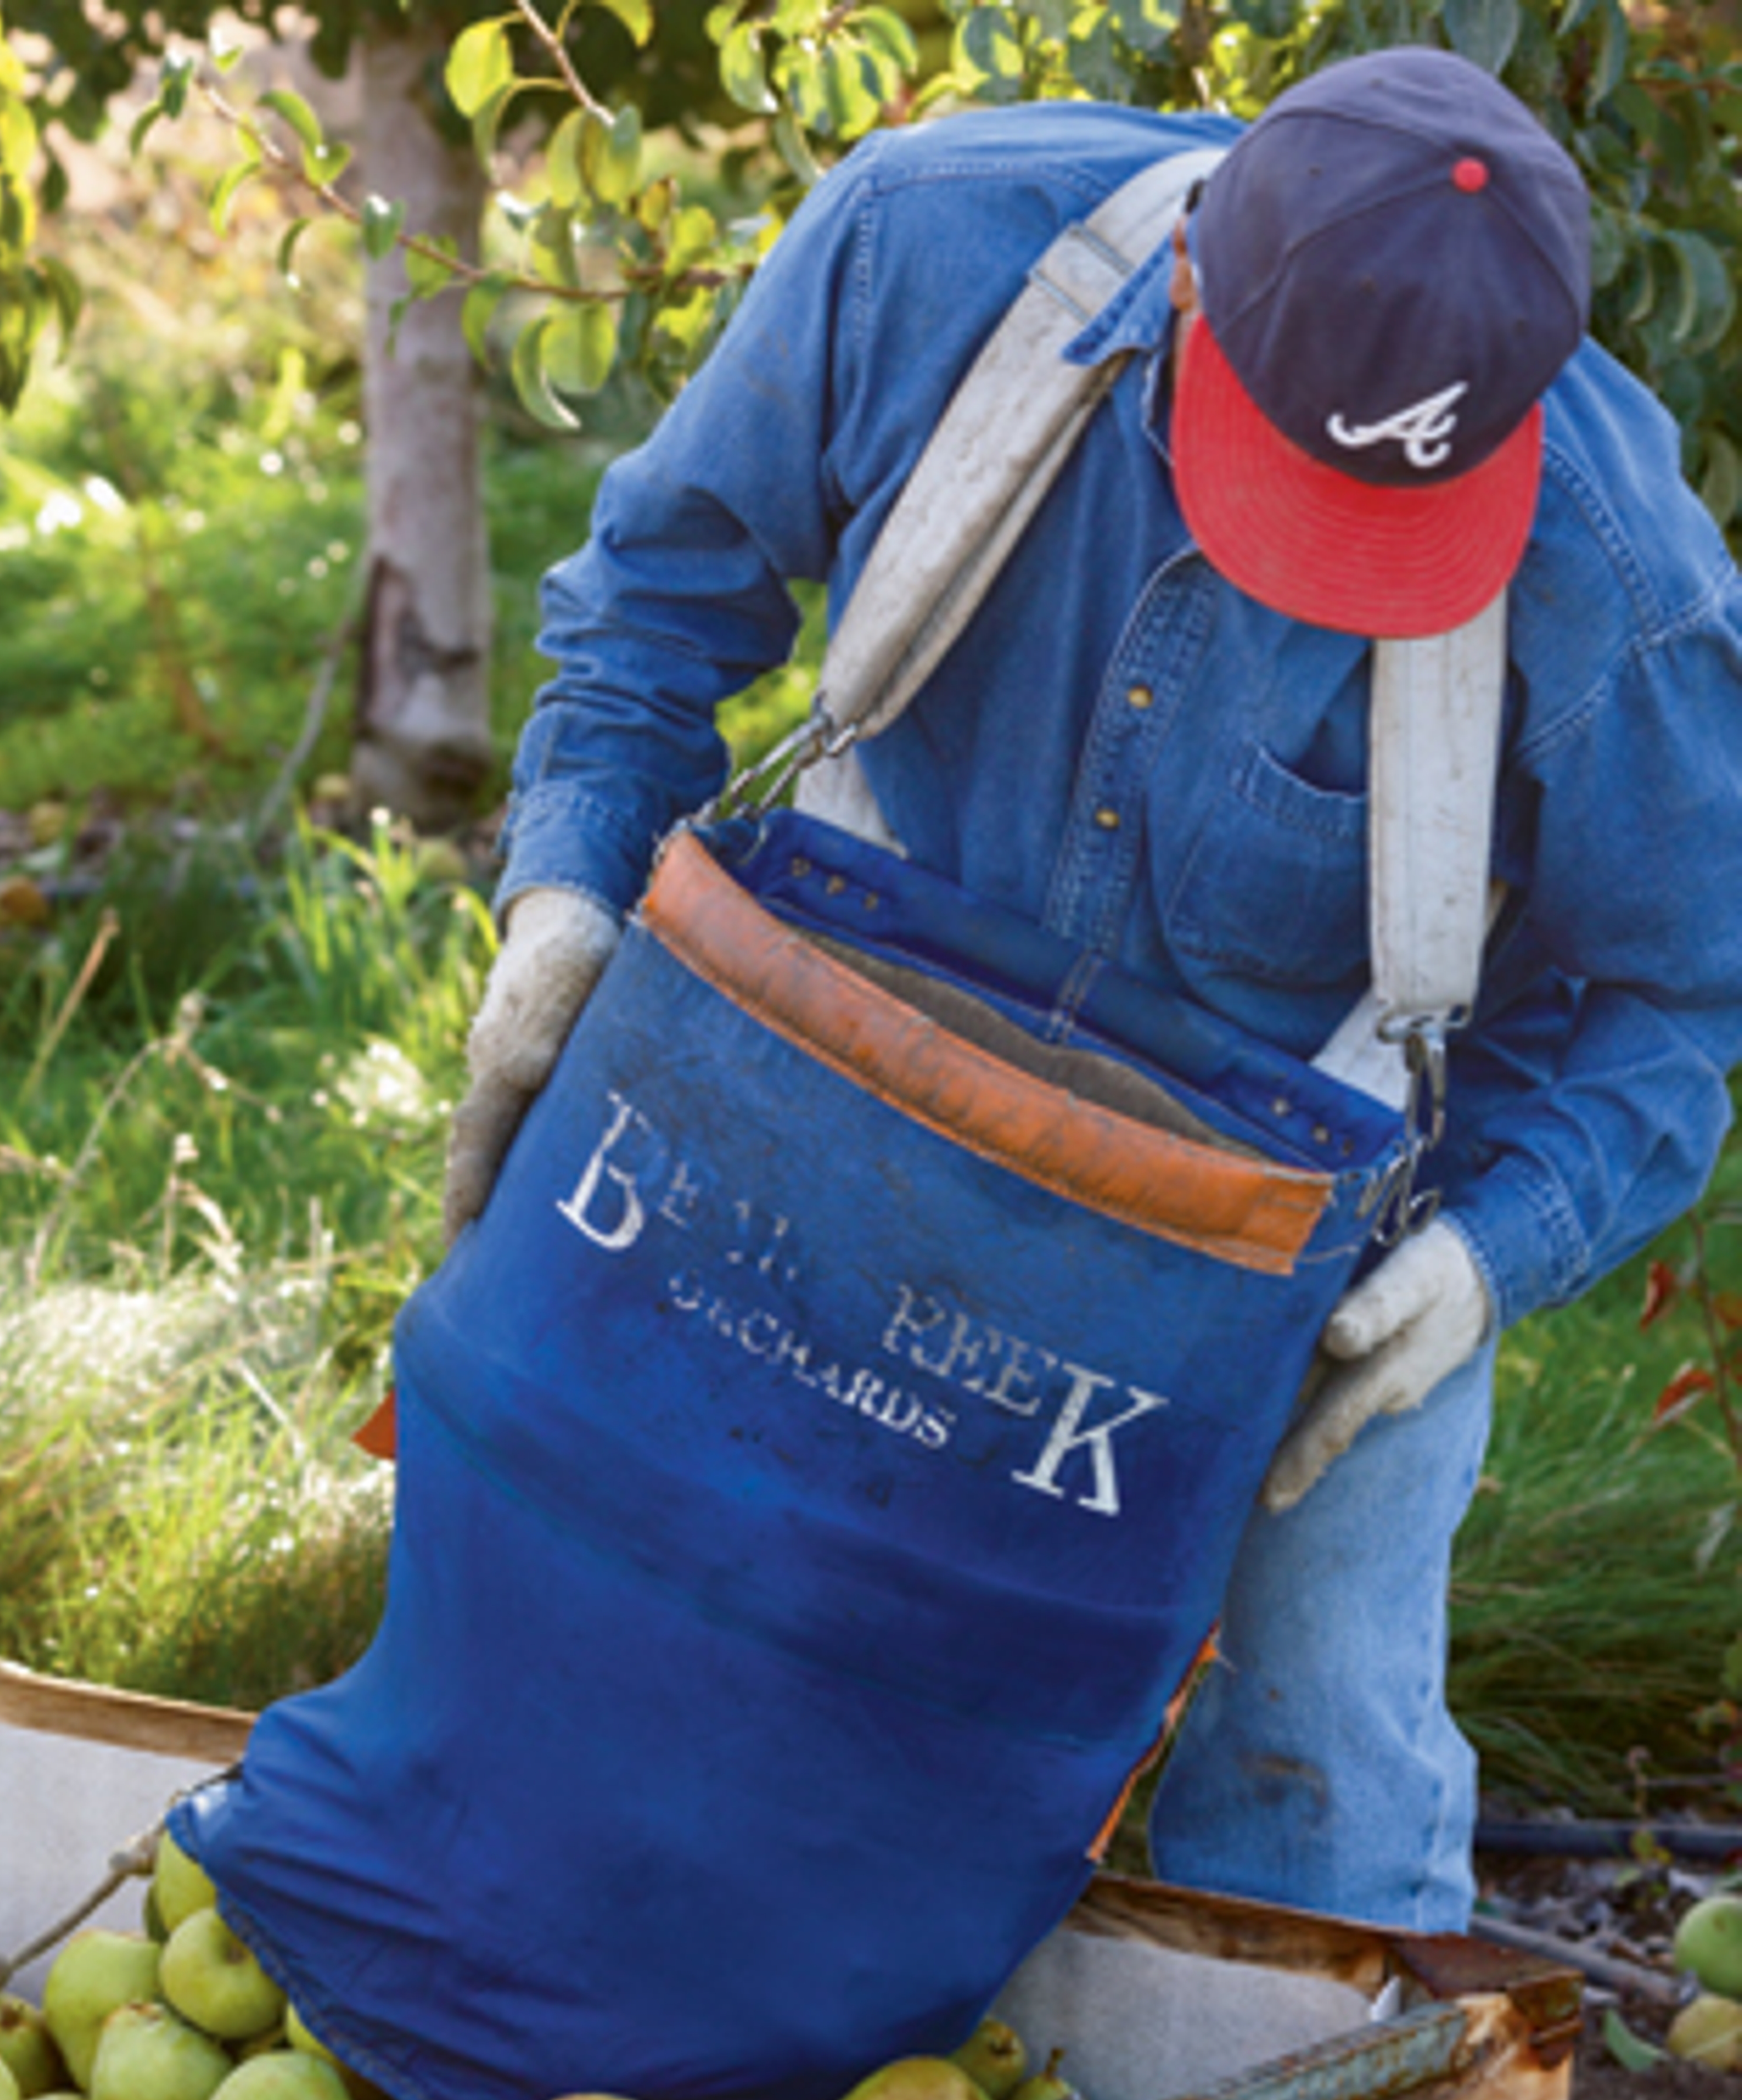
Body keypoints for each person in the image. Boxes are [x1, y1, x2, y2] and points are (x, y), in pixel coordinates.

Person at [440, 45, 1742, 1933]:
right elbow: (652, 604)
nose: (1312, 568)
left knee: (1324, 1775)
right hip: (848, 1083)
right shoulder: (927, 249)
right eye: (1289, 484)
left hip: (1296, 1218)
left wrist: (1488, 1255)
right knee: (679, 1626)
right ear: (1195, 279)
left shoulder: (1617, 577)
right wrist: (562, 910)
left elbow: (1685, 998)